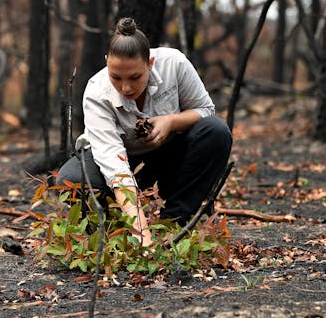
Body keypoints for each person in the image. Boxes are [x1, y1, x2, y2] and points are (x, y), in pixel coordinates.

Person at [57, 17, 232, 247]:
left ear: (150, 63)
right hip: (121, 164)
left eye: (135, 77)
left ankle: (176, 223)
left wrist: (170, 121)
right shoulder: (96, 92)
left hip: (170, 158)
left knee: (217, 132)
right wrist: (142, 237)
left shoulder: (174, 64)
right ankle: (112, 229)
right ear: (107, 62)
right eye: (116, 77)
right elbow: (115, 167)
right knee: (70, 180)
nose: (126, 87)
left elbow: (206, 110)